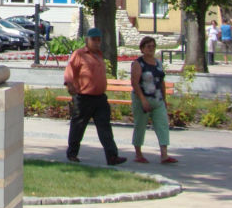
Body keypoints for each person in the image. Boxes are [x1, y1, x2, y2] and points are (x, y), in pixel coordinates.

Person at [63, 27, 126, 166]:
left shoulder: (99, 55)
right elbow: (69, 70)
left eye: (98, 40)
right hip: (84, 97)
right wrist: (69, 84)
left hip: (100, 98)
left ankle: (112, 156)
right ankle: (72, 154)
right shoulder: (79, 54)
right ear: (87, 40)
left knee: (105, 127)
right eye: (94, 40)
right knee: (78, 127)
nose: (97, 42)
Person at [130, 36, 177, 164]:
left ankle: (164, 155)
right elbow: (134, 83)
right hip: (142, 99)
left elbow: (161, 81)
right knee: (140, 125)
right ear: (142, 48)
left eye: (153, 46)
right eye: (148, 46)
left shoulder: (158, 63)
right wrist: (143, 100)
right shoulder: (138, 63)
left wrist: (164, 98)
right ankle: (138, 153)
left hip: (157, 99)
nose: (151, 49)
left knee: (162, 124)